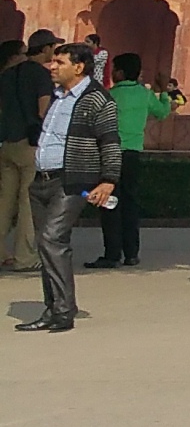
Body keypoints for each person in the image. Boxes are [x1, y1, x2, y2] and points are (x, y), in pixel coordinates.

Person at [21, 43, 117, 332]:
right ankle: (52, 309)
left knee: (53, 238)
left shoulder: (97, 99)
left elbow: (111, 142)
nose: (52, 67)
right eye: (52, 62)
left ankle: (63, 311)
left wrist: (108, 180)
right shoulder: (58, 97)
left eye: (59, 62)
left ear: (79, 67)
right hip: (42, 180)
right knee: (45, 244)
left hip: (72, 180)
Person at [87, 54, 172, 271]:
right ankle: (131, 253)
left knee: (109, 202)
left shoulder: (110, 95)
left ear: (121, 73)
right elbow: (163, 113)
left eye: (114, 69)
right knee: (130, 203)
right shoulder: (145, 94)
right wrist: (162, 91)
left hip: (110, 152)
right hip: (133, 153)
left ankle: (112, 253)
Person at [0, 33, 52, 272]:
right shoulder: (40, 74)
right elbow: (44, 110)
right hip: (30, 144)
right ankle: (25, 257)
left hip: (8, 142)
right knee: (27, 203)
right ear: (45, 49)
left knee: (5, 202)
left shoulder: (7, 75)